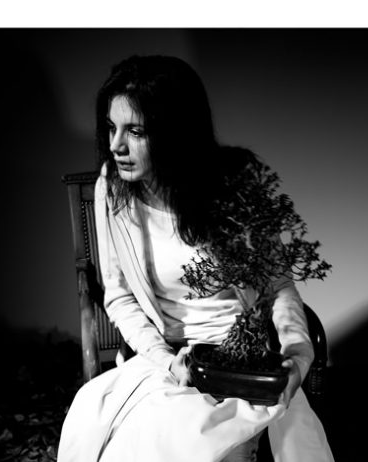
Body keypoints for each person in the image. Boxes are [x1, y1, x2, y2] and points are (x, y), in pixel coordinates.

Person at [58, 55, 334, 462]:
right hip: (166, 361)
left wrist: (297, 354)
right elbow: (119, 296)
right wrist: (168, 362)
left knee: (227, 444)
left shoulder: (236, 185)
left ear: (174, 131)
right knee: (141, 441)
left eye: (135, 131)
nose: (116, 145)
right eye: (111, 128)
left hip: (243, 362)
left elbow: (278, 285)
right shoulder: (112, 189)